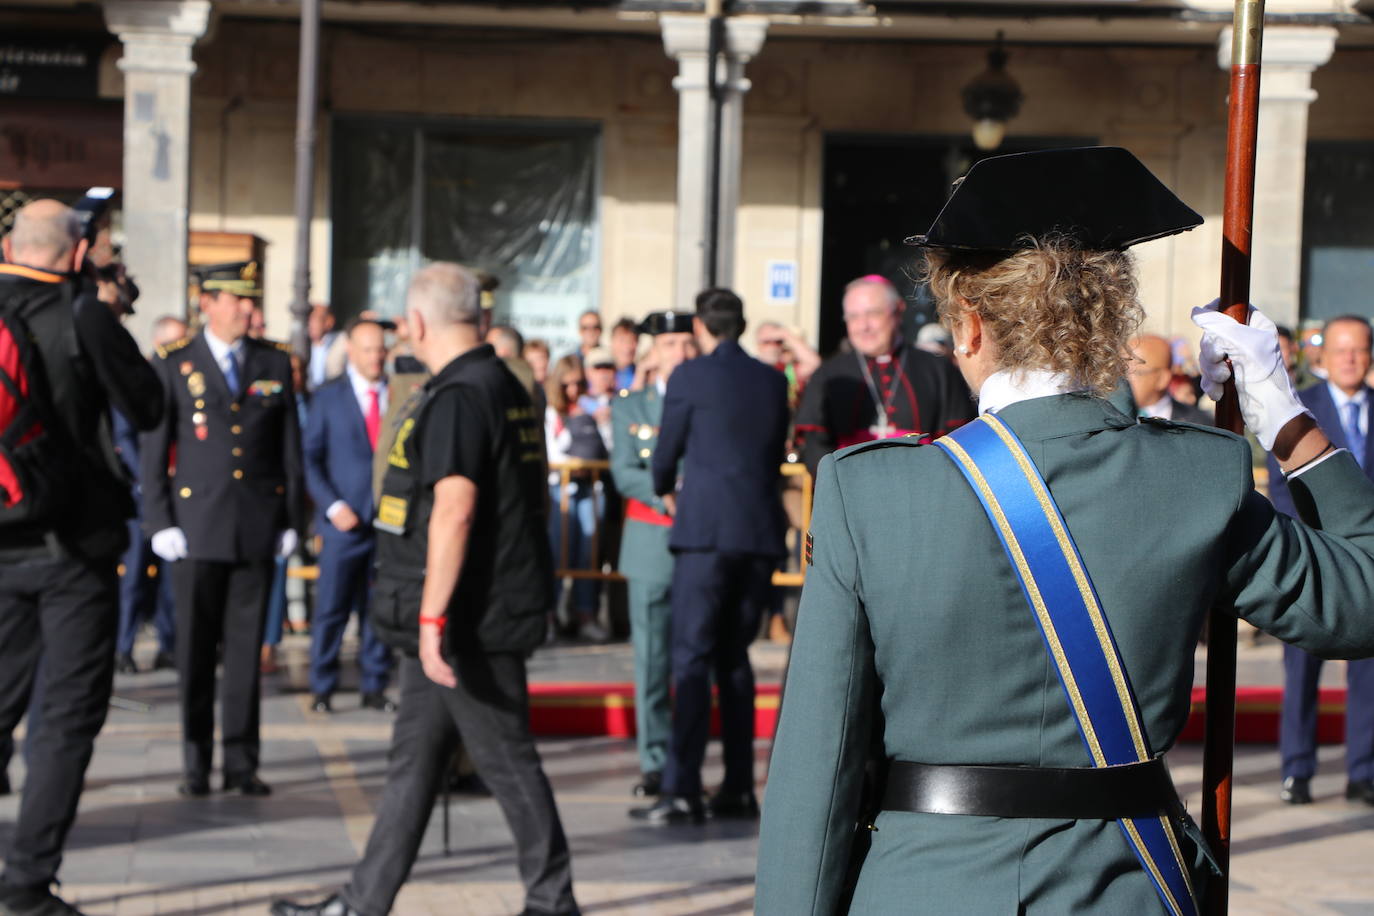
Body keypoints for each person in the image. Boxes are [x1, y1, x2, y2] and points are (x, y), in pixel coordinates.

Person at [755, 146, 1374, 915]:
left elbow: (819, 767)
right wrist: (1289, 424)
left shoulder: (868, 491)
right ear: (1108, 324)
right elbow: (1361, 602)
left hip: (924, 890)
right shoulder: (1196, 479)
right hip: (1121, 889)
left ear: (971, 325)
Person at [271, 262, 578, 916]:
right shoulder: (497, 382)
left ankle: (553, 903)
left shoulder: (464, 394)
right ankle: (362, 903)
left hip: (467, 621)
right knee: (413, 766)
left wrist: (433, 620)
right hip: (457, 614)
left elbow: (455, 510)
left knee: (506, 762)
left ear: (414, 324)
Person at [0, 199, 163, 916]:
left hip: (0, 537)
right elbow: (150, 406)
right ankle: (29, 886)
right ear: (76, 254)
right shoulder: (84, 314)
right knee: (65, 719)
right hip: (76, 550)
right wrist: (109, 309)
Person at [142, 259, 304, 798]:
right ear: (207, 302)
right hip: (194, 527)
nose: (248, 309)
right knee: (194, 652)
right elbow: (154, 447)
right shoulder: (174, 362)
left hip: (255, 525)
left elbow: (289, 448)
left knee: (244, 655)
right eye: (237, 300)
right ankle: (196, 763)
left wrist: (290, 519)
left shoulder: (273, 361)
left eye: (251, 300)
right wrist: (159, 521)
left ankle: (241, 762)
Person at [631, 288, 789, 824]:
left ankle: (681, 788)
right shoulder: (771, 379)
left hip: (703, 532)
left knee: (692, 658)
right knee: (735, 661)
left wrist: (665, 487)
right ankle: (739, 787)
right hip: (757, 532)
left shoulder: (690, 376)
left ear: (701, 326)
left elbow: (666, 452)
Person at [1265, 315, 1374, 807]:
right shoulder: (1301, 410)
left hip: (1370, 566)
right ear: (1322, 356)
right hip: (1314, 559)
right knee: (1301, 670)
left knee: (1369, 676)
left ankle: (1363, 771)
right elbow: (1283, 486)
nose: (1350, 358)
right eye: (1342, 350)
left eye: (1359, 350)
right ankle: (1297, 769)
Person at [609, 310, 698, 798]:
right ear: (653, 351)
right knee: (652, 661)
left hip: (700, 545)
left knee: (693, 660)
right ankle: (654, 760)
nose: (680, 354)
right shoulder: (633, 406)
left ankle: (685, 763)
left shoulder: (707, 399)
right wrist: (662, 493)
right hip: (650, 543)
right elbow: (624, 470)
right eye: (670, 345)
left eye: (687, 343)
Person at [794, 274, 975, 478]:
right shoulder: (827, 375)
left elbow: (958, 440)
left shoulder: (938, 370)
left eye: (873, 313)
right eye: (853, 317)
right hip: (848, 491)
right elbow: (815, 446)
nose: (863, 326)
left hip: (921, 487)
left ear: (898, 310)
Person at [302, 318, 395, 714]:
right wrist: (334, 506)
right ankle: (323, 685)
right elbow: (310, 459)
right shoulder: (327, 397)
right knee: (332, 608)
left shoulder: (401, 394)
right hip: (344, 522)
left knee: (378, 609)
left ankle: (374, 684)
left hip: (388, 523)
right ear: (352, 352)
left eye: (381, 349)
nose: (376, 357)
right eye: (368, 350)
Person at [113, 315, 187, 675]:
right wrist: (148, 476)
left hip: (178, 492)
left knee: (172, 578)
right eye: (174, 341)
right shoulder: (139, 380)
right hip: (142, 493)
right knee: (135, 576)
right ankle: (123, 647)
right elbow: (124, 435)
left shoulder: (191, 379)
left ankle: (168, 645)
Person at [544, 355, 608, 642]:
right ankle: (549, 615)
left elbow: (608, 445)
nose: (573, 390)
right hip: (561, 488)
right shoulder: (550, 413)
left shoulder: (593, 408)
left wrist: (601, 421)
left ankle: (585, 614)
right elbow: (551, 451)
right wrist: (575, 460)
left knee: (588, 553)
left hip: (590, 488)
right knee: (558, 553)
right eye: (567, 384)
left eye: (579, 383)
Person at [1128, 334, 1213, 423]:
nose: (1126, 379)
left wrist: (1189, 359)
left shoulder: (1199, 423)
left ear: (1162, 379)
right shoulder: (1114, 418)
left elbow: (1200, 384)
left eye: (1137, 372)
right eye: (1121, 371)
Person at [308, 303, 340, 390]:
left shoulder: (341, 342)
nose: (309, 323)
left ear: (329, 322)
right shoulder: (301, 344)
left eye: (314, 318)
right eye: (308, 318)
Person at [610, 317, 640, 393]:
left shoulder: (643, 374)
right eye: (622, 340)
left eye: (632, 340)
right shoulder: (598, 371)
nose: (627, 346)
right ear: (612, 342)